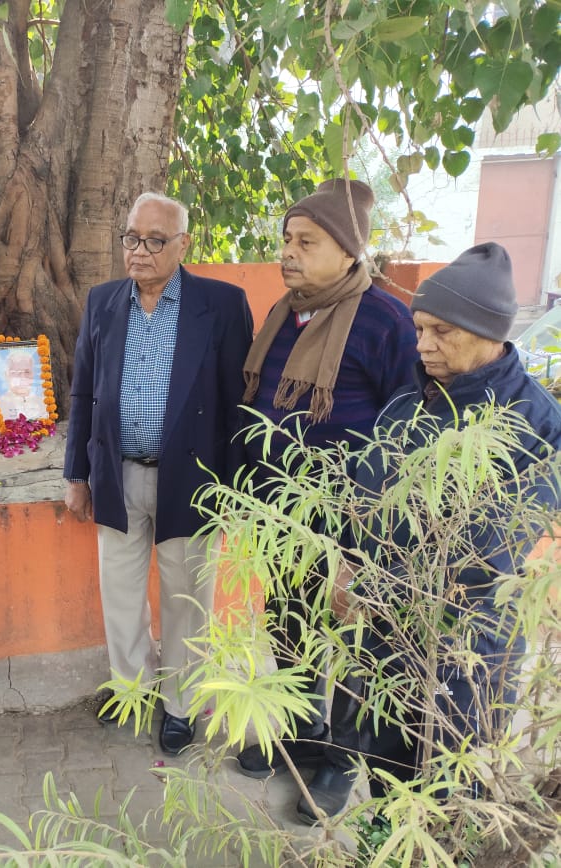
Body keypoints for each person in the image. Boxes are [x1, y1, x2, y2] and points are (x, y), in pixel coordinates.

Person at [333, 242, 561, 809]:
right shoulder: (409, 399)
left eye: (442, 331)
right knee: (386, 768)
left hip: (468, 648)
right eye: (419, 328)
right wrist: (347, 564)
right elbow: (366, 494)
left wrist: (390, 582)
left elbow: (488, 544)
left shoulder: (539, 426)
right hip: (387, 636)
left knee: (450, 792)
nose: (423, 344)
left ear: (488, 331)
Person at [234, 179, 419, 822]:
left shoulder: (386, 321)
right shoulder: (284, 313)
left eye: (305, 242)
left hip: (352, 524)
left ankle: (341, 759)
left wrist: (371, 543)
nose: (288, 253)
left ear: (348, 251)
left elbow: (408, 432)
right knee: (287, 627)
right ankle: (296, 736)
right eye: (286, 240)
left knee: (349, 642)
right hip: (283, 516)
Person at [63, 192, 254, 756]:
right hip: (117, 475)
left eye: (154, 241)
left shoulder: (220, 305)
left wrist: (237, 490)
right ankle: (132, 687)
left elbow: (237, 404)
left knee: (186, 596)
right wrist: (77, 474)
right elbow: (84, 392)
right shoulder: (102, 302)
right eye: (130, 238)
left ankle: (180, 703)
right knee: (120, 592)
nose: (138, 252)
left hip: (191, 480)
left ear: (183, 244)